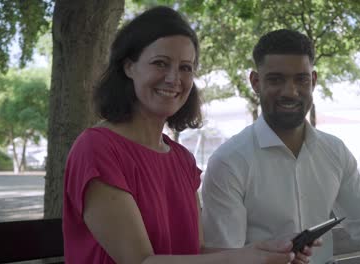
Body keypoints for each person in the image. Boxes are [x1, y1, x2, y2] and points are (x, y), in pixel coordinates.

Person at [62, 7, 314, 264]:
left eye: (185, 68)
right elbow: (139, 262)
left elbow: (195, 253)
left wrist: (264, 250)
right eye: (160, 63)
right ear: (129, 67)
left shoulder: (182, 159)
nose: (174, 78)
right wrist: (245, 260)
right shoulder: (96, 149)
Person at [201, 29, 360, 264]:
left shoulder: (334, 151)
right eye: (276, 79)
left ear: (313, 81)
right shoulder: (229, 162)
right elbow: (225, 258)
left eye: (301, 79)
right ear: (255, 82)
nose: (290, 92)